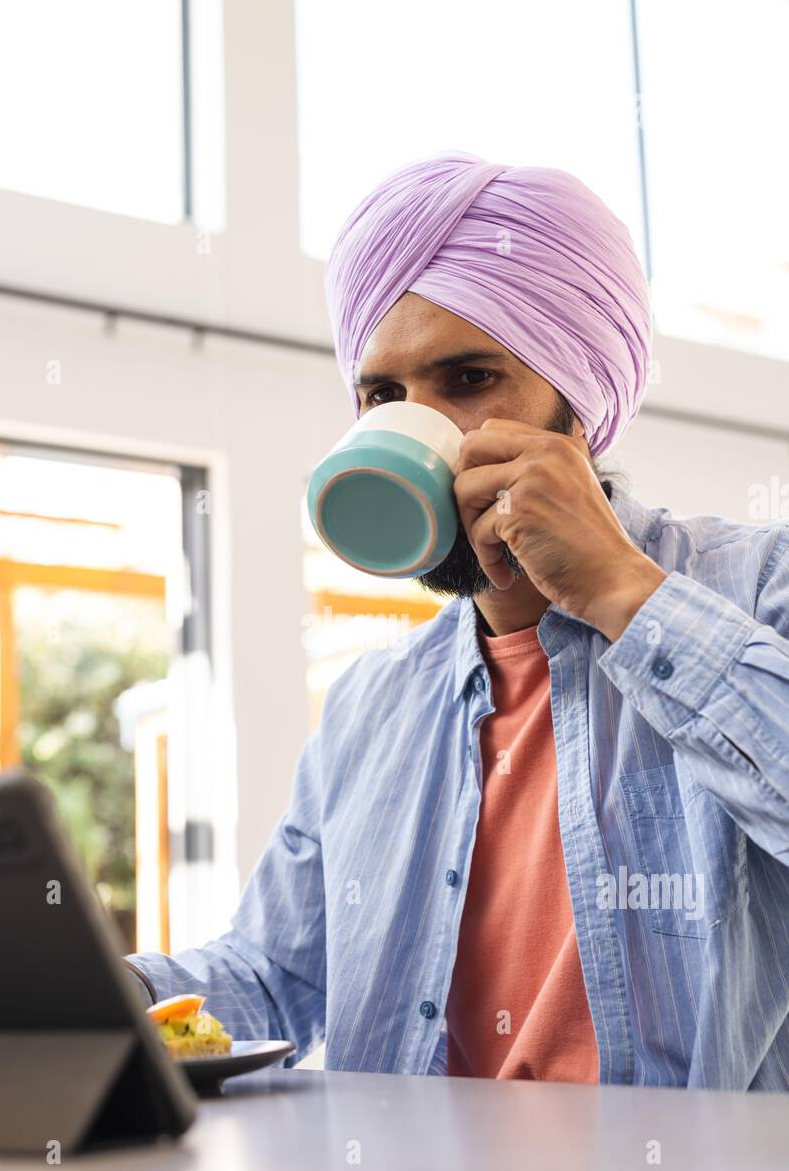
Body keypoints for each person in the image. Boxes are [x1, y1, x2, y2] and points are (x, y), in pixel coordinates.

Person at [126, 153, 789, 1089]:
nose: (420, 427)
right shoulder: (369, 705)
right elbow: (271, 978)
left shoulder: (759, 586)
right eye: (383, 397)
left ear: (580, 409)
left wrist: (621, 595)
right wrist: (78, 990)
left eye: (469, 378)